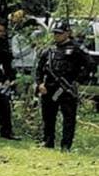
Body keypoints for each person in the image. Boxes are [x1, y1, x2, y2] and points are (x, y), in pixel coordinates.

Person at [35, 20, 91, 151]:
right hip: (49, 88)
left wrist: (78, 80)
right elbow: (39, 69)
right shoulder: (49, 50)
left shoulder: (76, 48)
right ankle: (48, 141)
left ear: (67, 33)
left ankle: (66, 145)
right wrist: (39, 84)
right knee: (48, 116)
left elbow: (90, 64)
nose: (57, 36)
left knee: (68, 118)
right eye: (55, 33)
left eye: (60, 33)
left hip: (67, 89)